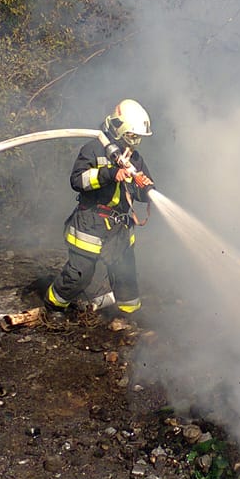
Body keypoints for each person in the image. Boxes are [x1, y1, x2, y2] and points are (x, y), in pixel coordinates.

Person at [44, 98, 155, 316]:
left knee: (126, 278)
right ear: (118, 128)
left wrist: (146, 188)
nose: (135, 142)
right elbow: (77, 181)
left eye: (138, 138)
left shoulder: (135, 158)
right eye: (132, 136)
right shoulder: (94, 149)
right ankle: (53, 306)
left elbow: (143, 191)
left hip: (119, 228)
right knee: (79, 274)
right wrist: (110, 174)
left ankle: (128, 316)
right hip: (91, 223)